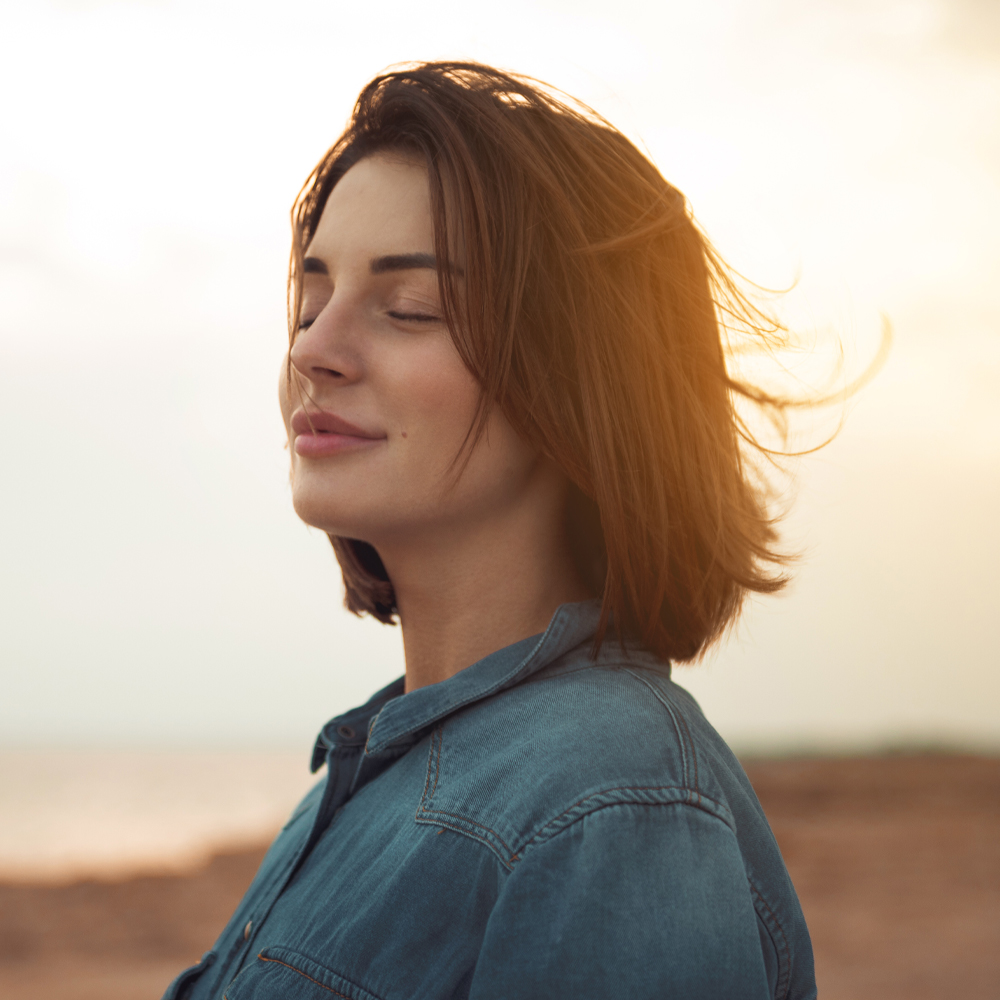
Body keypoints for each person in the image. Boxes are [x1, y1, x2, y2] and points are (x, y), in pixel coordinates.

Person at [163, 61, 816, 1000]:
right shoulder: (370, 779)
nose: (311, 347)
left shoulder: (608, 805)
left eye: (409, 309)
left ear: (581, 377)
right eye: (310, 301)